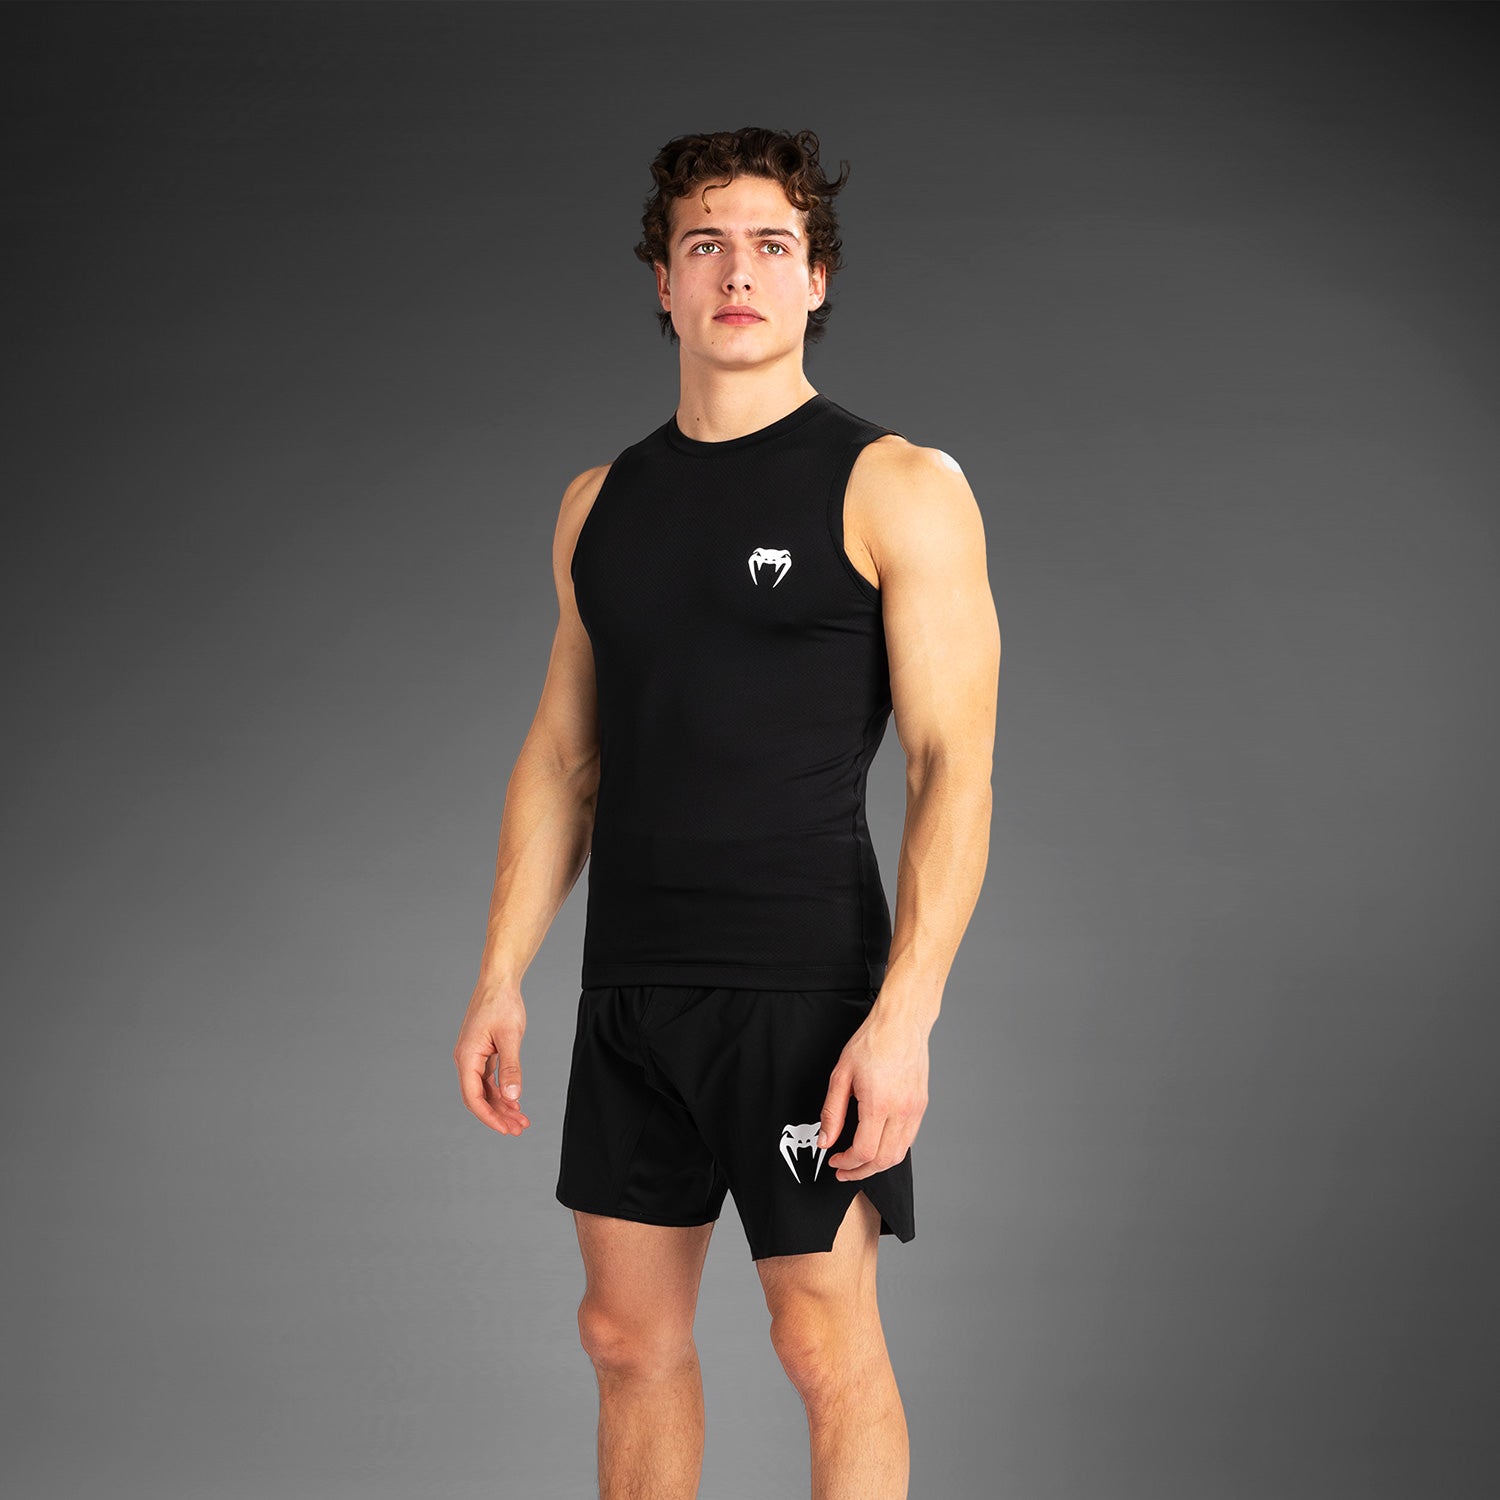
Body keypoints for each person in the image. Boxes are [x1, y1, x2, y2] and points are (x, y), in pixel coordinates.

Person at [454, 126, 999, 1500]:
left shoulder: (897, 485)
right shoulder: (600, 504)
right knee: (624, 1340)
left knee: (821, 1344)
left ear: (816, 279)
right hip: (632, 984)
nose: (736, 272)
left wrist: (906, 1016)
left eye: (770, 245)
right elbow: (565, 757)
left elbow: (953, 767)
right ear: (664, 282)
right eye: (705, 245)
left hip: (803, 986)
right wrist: (501, 973)